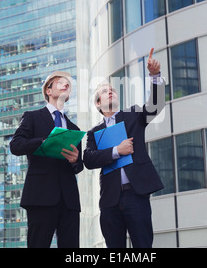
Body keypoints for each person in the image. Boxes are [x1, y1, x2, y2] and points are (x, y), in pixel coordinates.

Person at [83, 48, 166, 248]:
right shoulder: (94, 132)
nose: (110, 91)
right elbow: (88, 159)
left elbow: (155, 106)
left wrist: (155, 77)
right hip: (110, 200)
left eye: (112, 89)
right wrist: (116, 151)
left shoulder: (133, 115)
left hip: (136, 194)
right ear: (98, 103)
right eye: (104, 91)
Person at [9, 71, 83, 248]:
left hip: (69, 200)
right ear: (48, 91)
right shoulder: (32, 117)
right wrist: (43, 142)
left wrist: (75, 161)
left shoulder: (74, 128)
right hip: (40, 196)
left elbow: (78, 167)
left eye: (68, 84)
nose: (66, 85)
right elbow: (16, 145)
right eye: (60, 82)